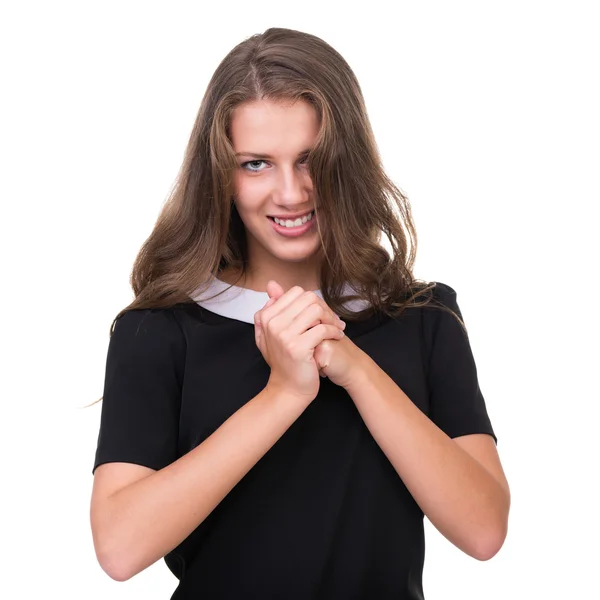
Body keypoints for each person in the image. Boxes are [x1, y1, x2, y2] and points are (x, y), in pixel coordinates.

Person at [90, 27, 510, 600]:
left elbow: (484, 530)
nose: (289, 194)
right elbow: (119, 547)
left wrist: (357, 370)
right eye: (256, 164)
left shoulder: (424, 316)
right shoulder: (160, 331)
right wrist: (284, 393)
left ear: (348, 160)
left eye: (311, 160)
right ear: (221, 173)